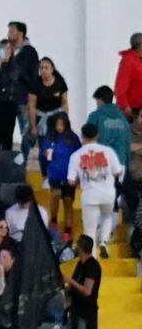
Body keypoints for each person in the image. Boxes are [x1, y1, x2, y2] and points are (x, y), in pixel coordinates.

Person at [68, 120, 126, 252]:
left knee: (89, 231)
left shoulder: (75, 156)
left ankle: (93, 259)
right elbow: (118, 172)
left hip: (89, 197)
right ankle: (104, 241)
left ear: (82, 136)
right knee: (107, 217)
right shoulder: (108, 151)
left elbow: (71, 181)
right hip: (108, 195)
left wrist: (79, 180)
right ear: (97, 135)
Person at [0, 21, 35, 154]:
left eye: (8, 49)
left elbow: (10, 80)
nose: (6, 52)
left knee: (7, 139)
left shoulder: (15, 66)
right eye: (3, 49)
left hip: (10, 105)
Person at [39, 112, 82, 238]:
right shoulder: (50, 138)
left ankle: (67, 231)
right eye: (57, 124)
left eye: (62, 125)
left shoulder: (73, 138)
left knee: (68, 202)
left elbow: (79, 155)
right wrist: (44, 166)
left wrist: (79, 176)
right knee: (56, 193)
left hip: (70, 175)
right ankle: (53, 220)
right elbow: (42, 156)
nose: (59, 127)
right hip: (55, 173)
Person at [85, 85, 130, 170]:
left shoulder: (95, 116)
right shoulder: (123, 118)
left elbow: (88, 139)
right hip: (121, 163)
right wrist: (127, 164)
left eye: (97, 101)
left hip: (101, 163)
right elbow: (127, 142)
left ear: (100, 100)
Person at [64, 243, 102, 329]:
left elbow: (87, 291)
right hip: (75, 312)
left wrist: (69, 280)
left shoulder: (92, 266)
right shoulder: (80, 264)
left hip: (85, 315)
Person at [29, 58, 70, 148]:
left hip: (56, 119)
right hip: (41, 119)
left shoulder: (60, 82)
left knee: (57, 145)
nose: (43, 70)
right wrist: (33, 127)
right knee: (44, 146)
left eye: (46, 68)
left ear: (52, 69)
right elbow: (31, 106)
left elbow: (65, 103)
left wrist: (65, 121)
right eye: (41, 68)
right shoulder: (35, 83)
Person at [116, 33, 142, 116]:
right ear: (139, 45)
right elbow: (120, 86)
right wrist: (125, 107)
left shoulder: (139, 60)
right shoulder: (128, 61)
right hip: (133, 109)